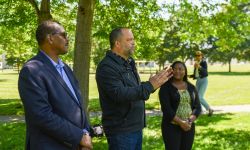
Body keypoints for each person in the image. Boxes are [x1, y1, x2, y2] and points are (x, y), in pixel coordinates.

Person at [18, 20, 93, 150]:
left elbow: (78, 105)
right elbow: (41, 115)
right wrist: (79, 137)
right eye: (63, 35)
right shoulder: (31, 70)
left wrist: (85, 134)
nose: (67, 39)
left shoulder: (66, 69)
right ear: (50, 38)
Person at [95, 27, 173, 150]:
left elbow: (135, 90)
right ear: (117, 43)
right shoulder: (107, 67)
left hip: (135, 127)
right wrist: (149, 85)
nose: (133, 42)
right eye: (129, 39)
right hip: (121, 131)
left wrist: (153, 84)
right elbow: (119, 94)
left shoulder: (129, 62)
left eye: (133, 39)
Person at [159, 61, 201, 150]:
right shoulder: (165, 88)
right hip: (171, 127)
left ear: (185, 71)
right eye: (175, 69)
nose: (178, 71)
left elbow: (197, 107)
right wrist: (181, 123)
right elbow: (167, 110)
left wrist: (189, 121)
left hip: (188, 127)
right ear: (171, 71)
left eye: (180, 69)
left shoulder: (191, 87)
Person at [190, 51, 214, 116]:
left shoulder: (204, 62)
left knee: (199, 97)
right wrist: (190, 75)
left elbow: (205, 72)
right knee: (196, 97)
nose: (197, 57)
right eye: (196, 55)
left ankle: (209, 109)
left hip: (204, 80)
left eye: (199, 55)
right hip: (198, 81)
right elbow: (196, 74)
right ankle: (200, 110)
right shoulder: (196, 63)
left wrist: (199, 67)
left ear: (201, 56)